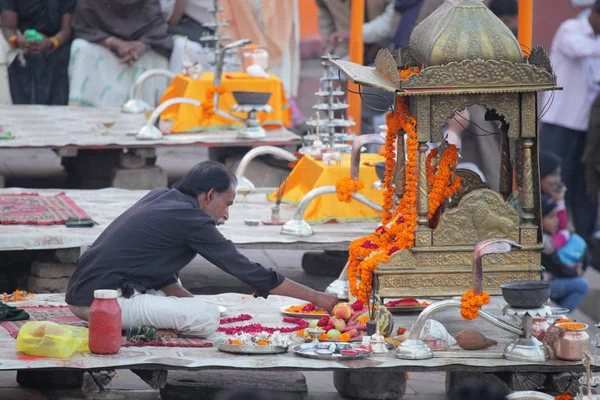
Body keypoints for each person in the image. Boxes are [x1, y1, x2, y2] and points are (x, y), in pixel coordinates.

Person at [66, 161, 338, 337]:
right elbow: (246, 270)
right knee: (207, 317)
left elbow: (162, 271)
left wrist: (187, 299)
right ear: (209, 195)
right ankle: (147, 326)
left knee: (191, 300)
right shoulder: (192, 219)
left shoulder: (163, 196)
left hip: (86, 292)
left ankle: (158, 313)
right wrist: (316, 297)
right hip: (102, 305)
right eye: (228, 204)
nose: (227, 215)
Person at [540, 0, 600, 241]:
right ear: (595, 13)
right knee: (553, 184)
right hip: (560, 124)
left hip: (587, 129)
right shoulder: (570, 29)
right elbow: (578, 49)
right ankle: (549, 240)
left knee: (584, 188)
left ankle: (584, 242)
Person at [68, 0, 174, 108]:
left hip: (140, 48)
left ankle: (151, 115)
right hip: (102, 44)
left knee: (159, 56)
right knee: (80, 47)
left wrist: (142, 45)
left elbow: (157, 28)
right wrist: (113, 42)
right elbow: (83, 27)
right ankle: (84, 113)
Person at [0, 0, 75, 105]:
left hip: (56, 42)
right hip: (21, 40)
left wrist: (51, 43)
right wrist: (18, 41)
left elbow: (66, 30)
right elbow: (8, 27)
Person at [541, 194, 589, 313]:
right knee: (581, 285)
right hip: (538, 286)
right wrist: (574, 272)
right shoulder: (542, 239)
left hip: (545, 280)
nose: (556, 220)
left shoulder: (546, 236)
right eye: (551, 217)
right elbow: (556, 267)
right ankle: (558, 320)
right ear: (539, 219)